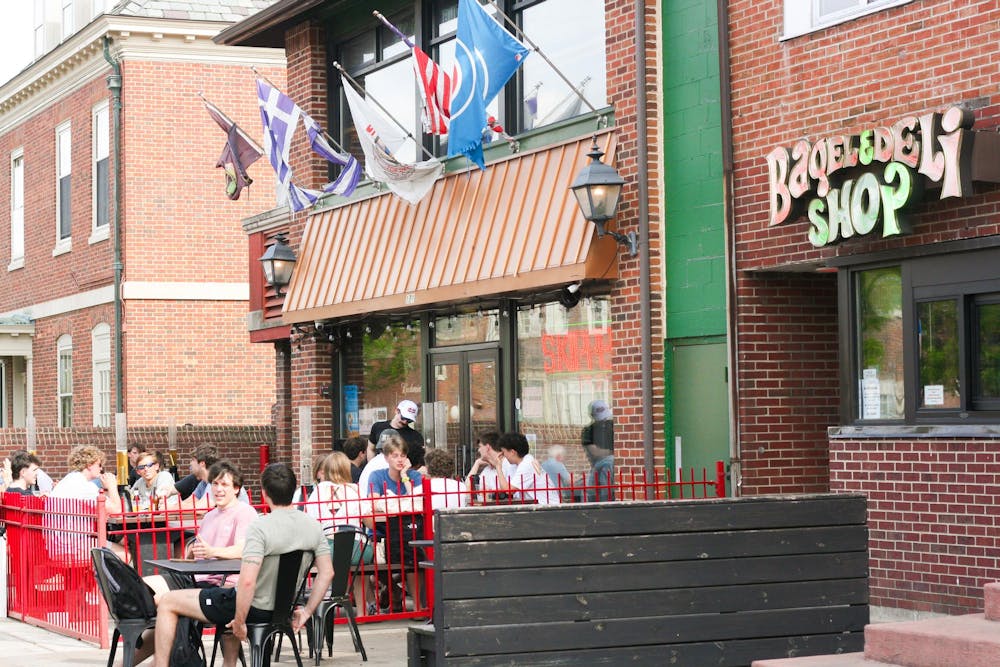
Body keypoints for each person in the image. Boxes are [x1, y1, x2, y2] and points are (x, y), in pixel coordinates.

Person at [152, 463, 333, 667]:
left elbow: (247, 582)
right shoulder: (313, 526)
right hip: (282, 608)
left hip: (250, 605)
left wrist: (239, 621)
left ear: (264, 492)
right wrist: (307, 611)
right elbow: (327, 573)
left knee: (167, 601)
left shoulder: (260, 527)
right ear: (293, 490)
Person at [127, 460, 258, 666]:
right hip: (196, 578)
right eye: (215, 484)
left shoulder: (245, 512)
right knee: (143, 587)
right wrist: (192, 552)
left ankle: (167, 656)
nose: (218, 489)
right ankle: (143, 639)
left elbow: (244, 549)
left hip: (225, 585)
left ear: (236, 488)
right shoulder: (209, 516)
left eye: (224, 485)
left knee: (168, 607)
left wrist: (213, 551)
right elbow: (201, 551)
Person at [366, 436, 423, 612]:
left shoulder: (414, 475)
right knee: (374, 559)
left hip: (408, 531)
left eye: (402, 455)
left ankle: (418, 606)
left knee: (413, 558)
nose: (399, 459)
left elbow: (418, 501)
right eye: (395, 455)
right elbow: (373, 504)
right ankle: (395, 591)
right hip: (383, 532)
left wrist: (405, 477)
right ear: (386, 457)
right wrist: (400, 504)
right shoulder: (377, 476)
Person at [48, 444, 125, 558]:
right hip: (75, 546)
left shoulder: (69, 480)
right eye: (99, 465)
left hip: (58, 545)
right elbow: (117, 510)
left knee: (121, 543)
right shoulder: (84, 486)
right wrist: (112, 486)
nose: (101, 468)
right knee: (126, 554)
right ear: (89, 465)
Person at [495, 432, 561, 505]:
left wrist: (498, 467)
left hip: (546, 507)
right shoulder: (526, 460)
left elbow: (509, 490)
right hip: (543, 506)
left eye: (504, 452)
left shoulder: (526, 465)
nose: (503, 456)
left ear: (512, 452)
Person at [369, 400, 426, 470]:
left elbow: (419, 461)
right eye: (403, 418)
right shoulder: (378, 427)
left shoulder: (415, 436)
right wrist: (370, 466)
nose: (405, 422)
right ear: (396, 411)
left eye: (409, 420)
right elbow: (371, 449)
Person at [582, 400, 615, 501]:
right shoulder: (589, 430)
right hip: (598, 465)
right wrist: (613, 452)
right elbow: (595, 452)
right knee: (593, 494)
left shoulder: (613, 426)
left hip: (604, 466)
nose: (604, 421)